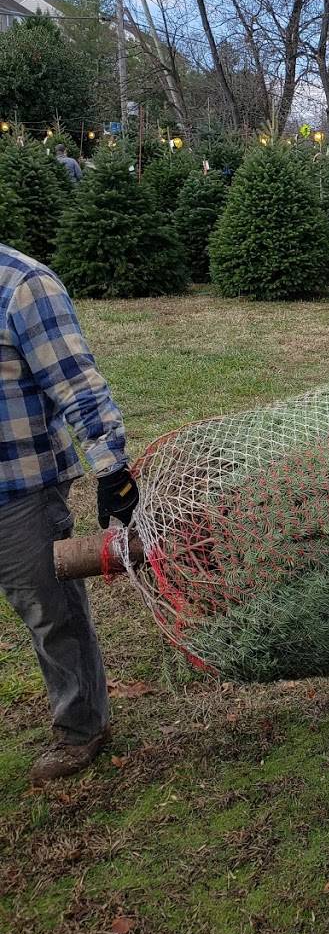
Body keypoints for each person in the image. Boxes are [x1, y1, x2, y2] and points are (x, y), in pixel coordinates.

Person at [1, 241, 139, 784]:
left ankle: (82, 725)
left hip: (18, 489)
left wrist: (111, 469)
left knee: (51, 612)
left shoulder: (22, 285)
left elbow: (78, 386)